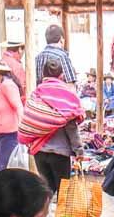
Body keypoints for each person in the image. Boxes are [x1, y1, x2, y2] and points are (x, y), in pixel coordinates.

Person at [29, 58, 84, 192]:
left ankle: (44, 213)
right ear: (61, 75)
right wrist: (78, 149)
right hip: (60, 153)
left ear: (43, 75)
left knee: (46, 192)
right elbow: (71, 127)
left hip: (40, 150)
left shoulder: (36, 94)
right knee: (63, 193)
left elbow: (30, 120)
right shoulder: (65, 95)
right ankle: (60, 214)